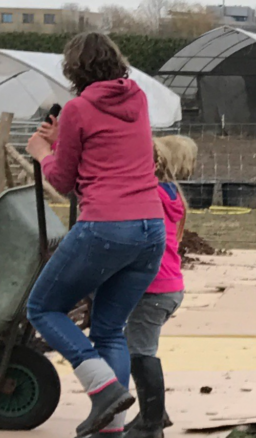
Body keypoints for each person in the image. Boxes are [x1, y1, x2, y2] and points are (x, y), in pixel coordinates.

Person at [25, 32, 166, 438]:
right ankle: (111, 430)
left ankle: (102, 389)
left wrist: (41, 150)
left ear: (74, 70)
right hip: (150, 230)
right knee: (107, 330)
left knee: (43, 309)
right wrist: (62, 140)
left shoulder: (77, 109)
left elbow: (63, 179)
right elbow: (109, 150)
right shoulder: (137, 98)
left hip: (106, 227)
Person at [124, 144, 188, 438]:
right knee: (138, 346)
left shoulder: (146, 196)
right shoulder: (167, 193)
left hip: (153, 289)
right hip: (169, 286)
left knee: (140, 352)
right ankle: (155, 414)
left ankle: (151, 426)